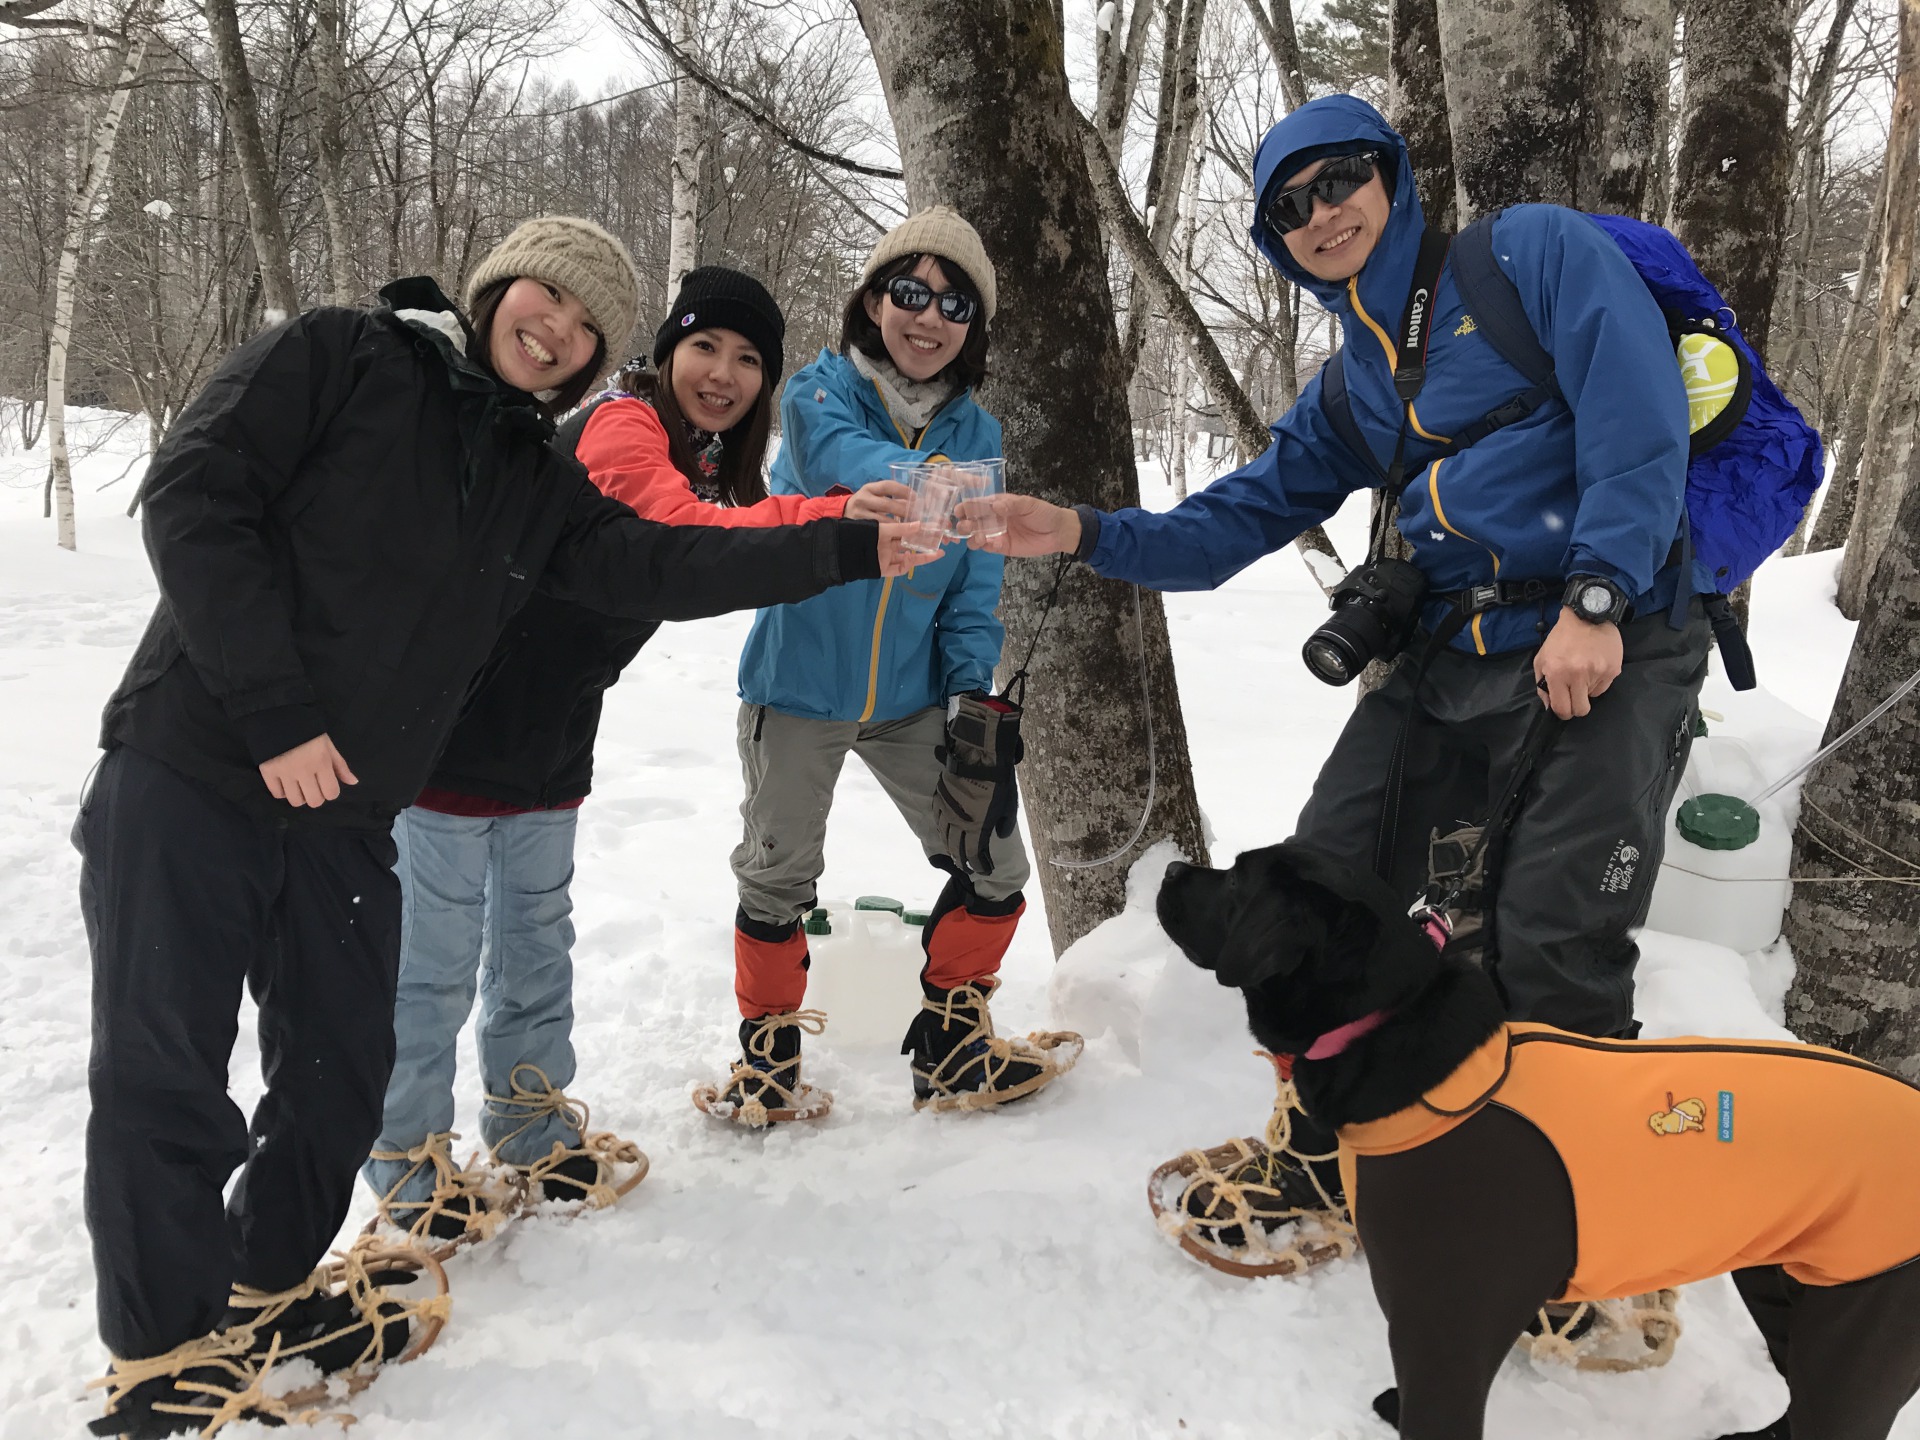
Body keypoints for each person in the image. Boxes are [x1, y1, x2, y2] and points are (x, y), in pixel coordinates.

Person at [77, 217, 913, 1437]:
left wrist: (845, 541)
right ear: (493, 289)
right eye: (547, 298)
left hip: (349, 809)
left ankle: (259, 1282)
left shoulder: (535, 481)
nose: (557, 329)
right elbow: (196, 497)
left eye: (585, 327)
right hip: (193, 761)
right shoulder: (344, 354)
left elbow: (659, 565)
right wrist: (273, 711)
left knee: (341, 1067)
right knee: (168, 1067)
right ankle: (156, 1357)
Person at [972, 97, 1708, 1194]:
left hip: (1608, 633)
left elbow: (1637, 421)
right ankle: (1328, 1156)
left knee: (1554, 938)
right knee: (1326, 890)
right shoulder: (1354, 384)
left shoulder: (1531, 256)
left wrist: (1597, 601)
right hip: (1453, 646)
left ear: (1392, 175)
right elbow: (1233, 518)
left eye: (1338, 178)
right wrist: (1080, 531)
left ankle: (1576, 1229)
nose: (1321, 212)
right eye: (1289, 206)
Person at [362, 266, 910, 1247]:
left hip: (547, 744)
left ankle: (527, 1127)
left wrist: (831, 510)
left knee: (535, 950)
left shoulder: (700, 460)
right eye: (706, 347)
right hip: (457, 734)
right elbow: (677, 541)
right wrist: (835, 527)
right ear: (664, 354)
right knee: (434, 966)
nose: (724, 372)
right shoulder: (622, 427)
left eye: (750, 359)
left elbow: (720, 523)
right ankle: (405, 1158)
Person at [700, 207, 1081, 1125]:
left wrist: (965, 694)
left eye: (954, 303)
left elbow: (974, 586)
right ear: (874, 301)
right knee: (777, 873)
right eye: (910, 292)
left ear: (971, 327)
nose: (928, 316)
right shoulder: (819, 394)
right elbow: (837, 459)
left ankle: (952, 1044)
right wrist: (930, 485)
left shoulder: (979, 433)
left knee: (995, 862)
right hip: (798, 687)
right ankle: (768, 1059)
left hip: (913, 700)